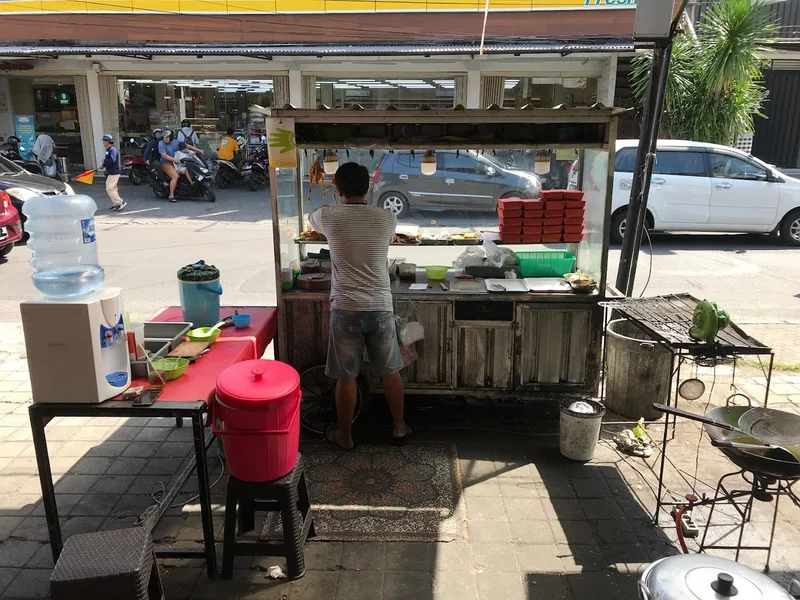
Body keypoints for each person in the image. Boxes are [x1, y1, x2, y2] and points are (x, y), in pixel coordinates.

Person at [307, 162, 409, 450]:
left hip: (346, 307)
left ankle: (345, 436)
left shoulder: (329, 217)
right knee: (390, 370)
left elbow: (312, 217)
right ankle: (399, 427)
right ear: (369, 188)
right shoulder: (387, 218)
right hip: (380, 305)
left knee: (345, 375)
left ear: (337, 189)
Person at [159, 129, 202, 202]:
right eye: (164, 137)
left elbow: (188, 146)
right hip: (167, 163)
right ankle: (171, 195)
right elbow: (164, 155)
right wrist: (173, 159)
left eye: (167, 137)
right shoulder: (161, 143)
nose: (165, 139)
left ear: (171, 137)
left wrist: (199, 150)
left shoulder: (176, 142)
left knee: (188, 169)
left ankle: (191, 185)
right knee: (175, 176)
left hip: (178, 162)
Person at [98, 134, 126, 211]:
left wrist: (105, 161)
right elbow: (110, 160)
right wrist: (103, 165)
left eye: (104, 141)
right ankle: (116, 204)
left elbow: (112, 160)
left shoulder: (112, 150)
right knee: (113, 188)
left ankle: (120, 202)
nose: (103, 142)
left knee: (109, 188)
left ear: (108, 141)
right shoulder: (109, 150)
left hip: (114, 172)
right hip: (112, 172)